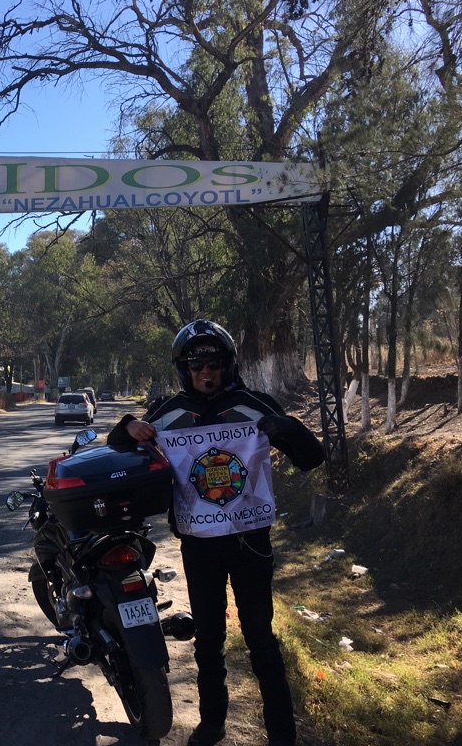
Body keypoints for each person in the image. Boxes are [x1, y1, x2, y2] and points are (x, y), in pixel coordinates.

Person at [107, 319, 324, 746]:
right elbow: (119, 452)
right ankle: (212, 724)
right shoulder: (167, 413)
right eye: (195, 364)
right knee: (208, 641)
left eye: (213, 362)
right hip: (199, 545)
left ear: (227, 364)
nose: (205, 371)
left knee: (261, 639)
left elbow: (312, 458)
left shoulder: (253, 404)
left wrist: (289, 429)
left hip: (251, 543)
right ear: (183, 369)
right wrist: (128, 425)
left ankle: (283, 735)